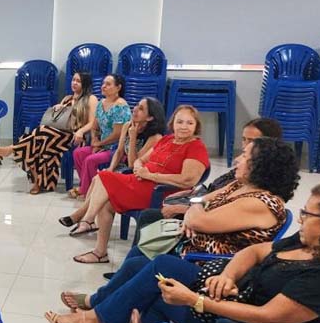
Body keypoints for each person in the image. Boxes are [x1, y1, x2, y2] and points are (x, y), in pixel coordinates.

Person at [46, 182, 320, 323]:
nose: (301, 218)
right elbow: (254, 252)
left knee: (157, 287)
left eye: (308, 214)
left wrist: (196, 301)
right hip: (231, 295)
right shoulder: (304, 243)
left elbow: (267, 316)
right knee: (146, 269)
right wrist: (229, 276)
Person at [61, 137, 301, 313]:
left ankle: (99, 316)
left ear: (261, 165)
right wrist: (195, 211)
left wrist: (194, 216)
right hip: (194, 245)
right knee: (138, 259)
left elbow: (198, 212)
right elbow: (200, 196)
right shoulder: (242, 185)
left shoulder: (261, 202)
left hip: (213, 266)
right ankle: (99, 302)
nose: (238, 159)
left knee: (154, 259)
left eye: (245, 155)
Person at [102, 117, 284, 281]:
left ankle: (123, 280)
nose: (243, 148)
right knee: (145, 237)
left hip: (208, 254)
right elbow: (207, 198)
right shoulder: (241, 181)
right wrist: (194, 205)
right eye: (244, 140)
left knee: (150, 220)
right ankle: (123, 279)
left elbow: (206, 212)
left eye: (251, 142)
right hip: (199, 225)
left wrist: (190, 212)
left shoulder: (260, 197)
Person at [60, 105, 209, 264]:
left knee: (103, 177)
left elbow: (188, 180)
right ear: (173, 124)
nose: (184, 127)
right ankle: (100, 252)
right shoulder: (167, 140)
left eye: (189, 123)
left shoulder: (196, 147)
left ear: (196, 126)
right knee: (106, 202)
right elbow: (140, 159)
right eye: (180, 122)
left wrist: (152, 175)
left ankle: (86, 220)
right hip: (141, 182)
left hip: (161, 192)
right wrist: (139, 166)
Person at [0, 72, 98, 194]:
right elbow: (59, 119)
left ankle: (11, 149)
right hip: (56, 134)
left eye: (78, 81)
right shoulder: (68, 98)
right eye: (73, 80)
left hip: (74, 137)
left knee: (41, 133)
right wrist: (59, 107)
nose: (74, 83)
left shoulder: (91, 99)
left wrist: (81, 131)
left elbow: (92, 122)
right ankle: (37, 181)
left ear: (85, 83)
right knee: (40, 144)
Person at [69, 74, 131, 199]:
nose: (104, 86)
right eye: (103, 83)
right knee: (78, 153)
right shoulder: (101, 103)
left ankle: (87, 191)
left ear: (118, 87)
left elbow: (117, 135)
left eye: (108, 84)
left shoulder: (120, 106)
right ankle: (88, 187)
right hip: (102, 144)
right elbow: (95, 126)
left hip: (116, 148)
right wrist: (95, 140)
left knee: (90, 160)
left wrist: (99, 144)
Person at [104, 97, 167, 174]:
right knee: (99, 177)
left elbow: (133, 165)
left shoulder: (155, 137)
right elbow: (119, 151)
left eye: (141, 109)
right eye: (137, 105)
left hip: (138, 173)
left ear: (149, 117)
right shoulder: (127, 125)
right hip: (123, 168)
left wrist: (133, 138)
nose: (135, 109)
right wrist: (110, 168)